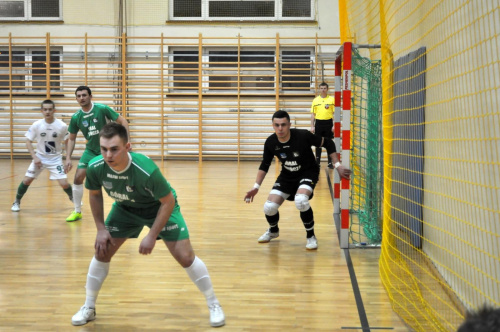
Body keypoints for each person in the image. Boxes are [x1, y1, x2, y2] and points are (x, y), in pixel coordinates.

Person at [71, 122, 225, 328]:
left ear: (127, 147)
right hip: (125, 209)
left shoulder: (146, 170)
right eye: (104, 149)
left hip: (158, 208)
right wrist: (100, 228)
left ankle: (214, 304)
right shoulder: (96, 167)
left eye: (114, 149)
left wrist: (152, 235)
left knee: (186, 257)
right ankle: (88, 307)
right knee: (101, 251)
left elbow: (168, 201)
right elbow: (95, 195)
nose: (108, 155)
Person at [244, 110, 351, 250]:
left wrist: (337, 165)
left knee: (301, 200)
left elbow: (329, 143)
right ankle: (273, 231)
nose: (280, 128)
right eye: (277, 125)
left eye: (283, 125)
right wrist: (256, 187)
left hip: (308, 172)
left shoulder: (303, 135)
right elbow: (264, 164)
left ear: (289, 124)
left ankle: (311, 236)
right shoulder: (271, 142)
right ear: (273, 125)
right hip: (287, 176)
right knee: (269, 207)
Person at [64, 86, 129, 222]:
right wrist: (68, 158)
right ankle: (77, 211)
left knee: (119, 178)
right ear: (76, 99)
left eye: (84, 95)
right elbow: (71, 138)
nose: (82, 98)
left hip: (107, 149)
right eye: (79, 96)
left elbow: (122, 121)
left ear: (90, 96)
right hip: (90, 150)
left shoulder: (102, 109)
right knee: (78, 177)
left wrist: (126, 142)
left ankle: (126, 208)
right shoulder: (76, 117)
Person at [11, 99, 73, 212]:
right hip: (40, 158)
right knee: (26, 181)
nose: (47, 111)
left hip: (55, 159)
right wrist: (35, 157)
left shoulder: (62, 126)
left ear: (54, 110)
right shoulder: (37, 125)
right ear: (41, 111)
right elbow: (28, 141)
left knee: (64, 184)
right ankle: (17, 201)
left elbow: (68, 141)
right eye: (45, 109)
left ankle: (73, 197)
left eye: (50, 109)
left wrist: (68, 158)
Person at [310, 82, 335, 168]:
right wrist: (312, 126)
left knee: (329, 143)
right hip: (319, 123)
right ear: (319, 89)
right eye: (321, 88)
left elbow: (334, 113)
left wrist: (334, 125)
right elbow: (313, 114)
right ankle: (317, 162)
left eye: (324, 88)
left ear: (327, 89)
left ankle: (330, 162)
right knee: (318, 143)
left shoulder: (332, 99)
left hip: (328, 123)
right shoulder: (315, 100)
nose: (323, 90)